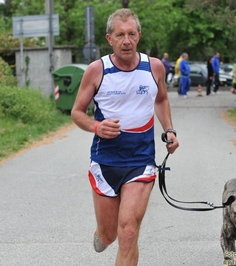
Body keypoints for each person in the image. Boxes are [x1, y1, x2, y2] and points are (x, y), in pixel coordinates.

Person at [71, 8, 179, 266]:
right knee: (110, 235)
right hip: (105, 161)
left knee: (128, 231)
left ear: (139, 36)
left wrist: (169, 130)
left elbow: (161, 99)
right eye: (120, 35)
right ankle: (103, 234)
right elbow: (77, 112)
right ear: (109, 39)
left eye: (131, 34)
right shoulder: (97, 71)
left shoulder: (154, 67)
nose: (127, 40)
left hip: (141, 161)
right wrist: (96, 127)